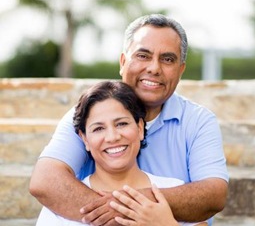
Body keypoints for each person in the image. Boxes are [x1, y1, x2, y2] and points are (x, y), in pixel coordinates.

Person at [29, 14, 228, 226]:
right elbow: (45, 181)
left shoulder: (198, 121)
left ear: (181, 70)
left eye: (168, 59)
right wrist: (123, 215)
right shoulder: (88, 113)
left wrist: (134, 209)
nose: (154, 68)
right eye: (143, 55)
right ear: (123, 62)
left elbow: (213, 194)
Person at [36, 81, 207, 226]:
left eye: (122, 124)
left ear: (140, 128)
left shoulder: (173, 190)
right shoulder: (59, 206)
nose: (112, 137)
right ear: (85, 139)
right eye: (98, 128)